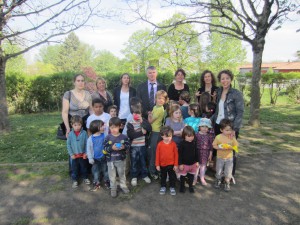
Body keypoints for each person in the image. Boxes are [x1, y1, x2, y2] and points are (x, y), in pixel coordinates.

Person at [211, 69, 244, 181]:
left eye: (227, 78)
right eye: (222, 79)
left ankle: (229, 175)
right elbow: (218, 110)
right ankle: (219, 172)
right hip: (218, 125)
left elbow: (240, 112)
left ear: (231, 79)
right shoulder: (219, 91)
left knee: (230, 150)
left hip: (230, 128)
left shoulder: (236, 94)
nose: (225, 81)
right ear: (220, 80)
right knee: (219, 148)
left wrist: (234, 128)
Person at [103, 117, 131, 198]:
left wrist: (124, 147)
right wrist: (112, 148)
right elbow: (104, 148)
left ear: (120, 126)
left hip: (121, 160)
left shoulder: (124, 137)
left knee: (122, 174)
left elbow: (128, 146)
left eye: (115, 127)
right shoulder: (107, 137)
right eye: (111, 127)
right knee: (112, 176)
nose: (113, 129)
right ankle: (113, 188)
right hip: (110, 161)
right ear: (109, 127)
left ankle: (123, 186)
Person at [127, 107, 152, 186]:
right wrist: (141, 132)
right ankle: (134, 176)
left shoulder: (143, 121)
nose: (136, 115)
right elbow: (131, 135)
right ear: (132, 114)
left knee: (143, 161)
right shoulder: (130, 123)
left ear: (141, 114)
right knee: (134, 162)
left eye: (138, 113)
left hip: (142, 145)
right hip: (134, 146)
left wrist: (142, 122)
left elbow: (149, 128)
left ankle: (144, 175)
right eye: (134, 113)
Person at [62, 74, 92, 138]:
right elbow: (64, 112)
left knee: (87, 145)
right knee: (74, 145)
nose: (80, 83)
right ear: (74, 82)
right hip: (73, 124)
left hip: (85, 124)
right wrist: (68, 128)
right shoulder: (68, 94)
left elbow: (91, 110)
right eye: (78, 81)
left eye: (82, 81)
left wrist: (92, 124)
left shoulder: (88, 94)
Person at [213, 119, 238, 192]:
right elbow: (214, 145)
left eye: (230, 130)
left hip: (229, 158)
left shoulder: (232, 137)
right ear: (221, 130)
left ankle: (227, 182)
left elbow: (236, 145)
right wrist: (219, 147)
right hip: (220, 157)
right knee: (219, 170)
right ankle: (218, 180)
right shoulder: (218, 137)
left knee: (228, 171)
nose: (229, 132)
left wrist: (231, 147)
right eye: (226, 130)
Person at [148, 90, 169, 179]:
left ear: (165, 101)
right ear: (155, 99)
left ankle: (153, 172)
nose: (160, 100)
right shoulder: (155, 107)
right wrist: (150, 114)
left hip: (156, 133)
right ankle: (154, 170)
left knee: (154, 152)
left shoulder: (160, 109)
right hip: (153, 131)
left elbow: (150, 121)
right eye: (159, 98)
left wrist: (149, 115)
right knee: (152, 151)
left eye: (163, 99)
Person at [67, 115, 90, 188]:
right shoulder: (70, 134)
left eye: (79, 125)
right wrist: (71, 154)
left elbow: (87, 143)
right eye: (75, 125)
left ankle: (85, 177)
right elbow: (68, 145)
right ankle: (75, 180)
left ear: (81, 124)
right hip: (74, 156)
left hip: (82, 155)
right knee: (74, 168)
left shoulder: (84, 133)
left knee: (84, 167)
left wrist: (86, 153)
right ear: (72, 125)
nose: (77, 127)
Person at [87, 120, 109, 191]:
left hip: (104, 157)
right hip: (95, 159)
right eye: (102, 126)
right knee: (95, 171)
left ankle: (107, 181)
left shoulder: (104, 135)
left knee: (105, 170)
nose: (104, 127)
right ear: (96, 127)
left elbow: (107, 145)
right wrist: (90, 158)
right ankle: (96, 183)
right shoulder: (90, 138)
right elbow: (89, 149)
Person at [155, 126, 178, 196]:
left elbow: (176, 155)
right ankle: (163, 186)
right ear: (162, 136)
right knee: (163, 176)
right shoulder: (159, 144)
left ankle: (172, 187)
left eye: (170, 136)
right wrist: (157, 164)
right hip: (162, 164)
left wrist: (176, 164)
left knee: (172, 176)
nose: (168, 138)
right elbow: (157, 155)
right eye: (166, 136)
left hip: (171, 164)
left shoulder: (173, 144)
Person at [178, 126, 199, 193]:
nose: (191, 137)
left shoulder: (194, 142)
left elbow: (196, 152)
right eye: (189, 136)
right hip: (184, 164)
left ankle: (191, 186)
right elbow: (179, 154)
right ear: (184, 136)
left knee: (191, 176)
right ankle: (182, 187)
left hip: (193, 164)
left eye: (192, 136)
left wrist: (197, 161)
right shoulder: (182, 143)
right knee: (183, 176)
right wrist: (180, 163)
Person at [195, 118, 214, 186]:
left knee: (203, 166)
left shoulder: (209, 136)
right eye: (203, 126)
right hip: (197, 152)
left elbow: (211, 145)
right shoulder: (196, 135)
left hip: (205, 153)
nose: (204, 128)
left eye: (206, 127)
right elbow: (194, 144)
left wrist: (210, 154)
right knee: (197, 166)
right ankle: (195, 178)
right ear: (199, 127)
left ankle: (202, 178)